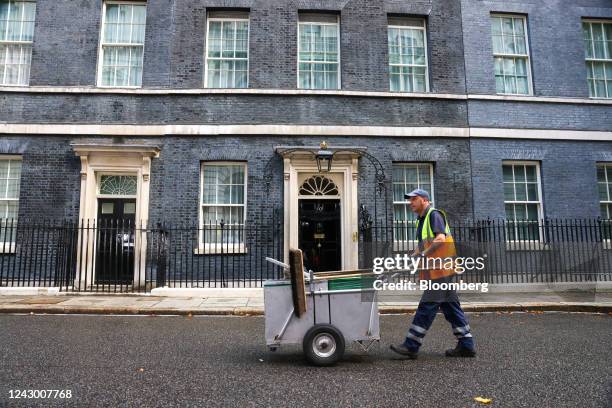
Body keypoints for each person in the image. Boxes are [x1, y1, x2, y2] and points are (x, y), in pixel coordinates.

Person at [389, 189, 476, 359]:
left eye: (414, 199)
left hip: (441, 270)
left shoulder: (434, 214)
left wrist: (423, 254)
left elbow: (440, 239)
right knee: (451, 306)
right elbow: (424, 244)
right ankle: (466, 344)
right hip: (438, 270)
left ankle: (411, 345)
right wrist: (412, 255)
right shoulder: (420, 220)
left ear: (424, 200)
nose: (410, 202)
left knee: (427, 305)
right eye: (410, 200)